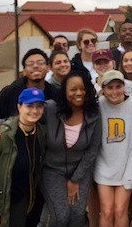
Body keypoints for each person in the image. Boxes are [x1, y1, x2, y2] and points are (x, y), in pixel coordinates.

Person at [0, 88, 47, 227]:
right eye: (29, 106)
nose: (34, 111)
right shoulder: (1, 135)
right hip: (0, 202)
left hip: (23, 203)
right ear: (19, 107)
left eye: (39, 106)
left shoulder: (40, 133)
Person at [39, 70, 102, 227]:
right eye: (73, 89)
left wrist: (75, 179)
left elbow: (92, 150)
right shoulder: (50, 109)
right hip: (52, 170)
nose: (78, 93)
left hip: (80, 171)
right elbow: (27, 114)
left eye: (82, 89)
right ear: (64, 91)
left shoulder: (94, 114)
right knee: (60, 216)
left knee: (77, 215)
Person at [94, 70, 132, 227]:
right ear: (103, 89)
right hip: (103, 166)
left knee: (120, 209)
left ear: (124, 86)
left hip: (126, 166)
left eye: (118, 86)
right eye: (110, 88)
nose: (114, 91)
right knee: (107, 210)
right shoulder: (98, 105)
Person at [0, 49, 58, 133]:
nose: (35, 66)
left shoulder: (55, 93)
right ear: (24, 71)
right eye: (30, 64)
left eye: (40, 63)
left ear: (48, 68)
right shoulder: (9, 92)